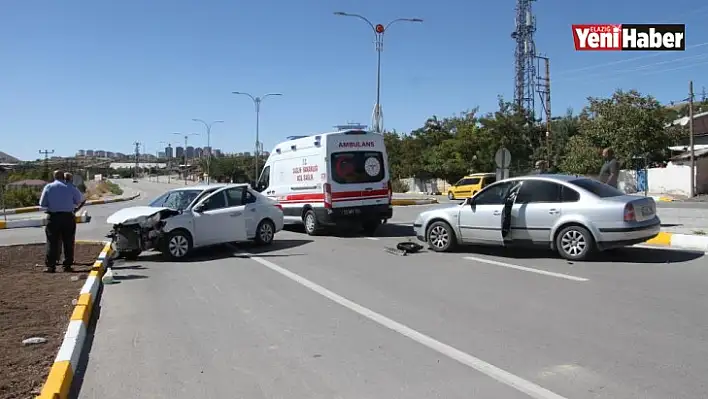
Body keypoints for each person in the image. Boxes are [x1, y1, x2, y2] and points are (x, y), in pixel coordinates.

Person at [39, 170, 84, 273]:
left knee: (52, 241)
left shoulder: (48, 187)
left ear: (54, 176)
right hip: (68, 217)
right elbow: (79, 200)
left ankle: (51, 265)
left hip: (53, 217)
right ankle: (67, 265)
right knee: (68, 241)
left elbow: (42, 203)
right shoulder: (70, 187)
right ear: (63, 177)